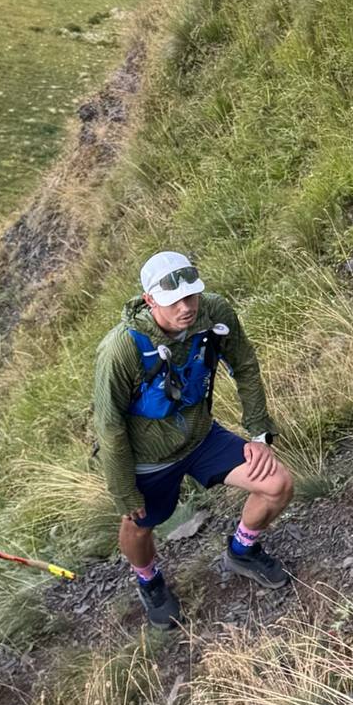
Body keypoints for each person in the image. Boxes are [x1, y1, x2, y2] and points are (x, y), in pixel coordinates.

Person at [93, 252, 294, 629]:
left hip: (201, 437)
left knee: (277, 484)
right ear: (150, 300)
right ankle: (148, 580)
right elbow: (109, 424)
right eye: (174, 301)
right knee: (138, 524)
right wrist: (124, 490)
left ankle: (242, 550)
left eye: (191, 296)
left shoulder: (214, 313)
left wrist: (259, 434)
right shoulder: (121, 349)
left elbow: (244, 365)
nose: (186, 308)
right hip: (149, 459)